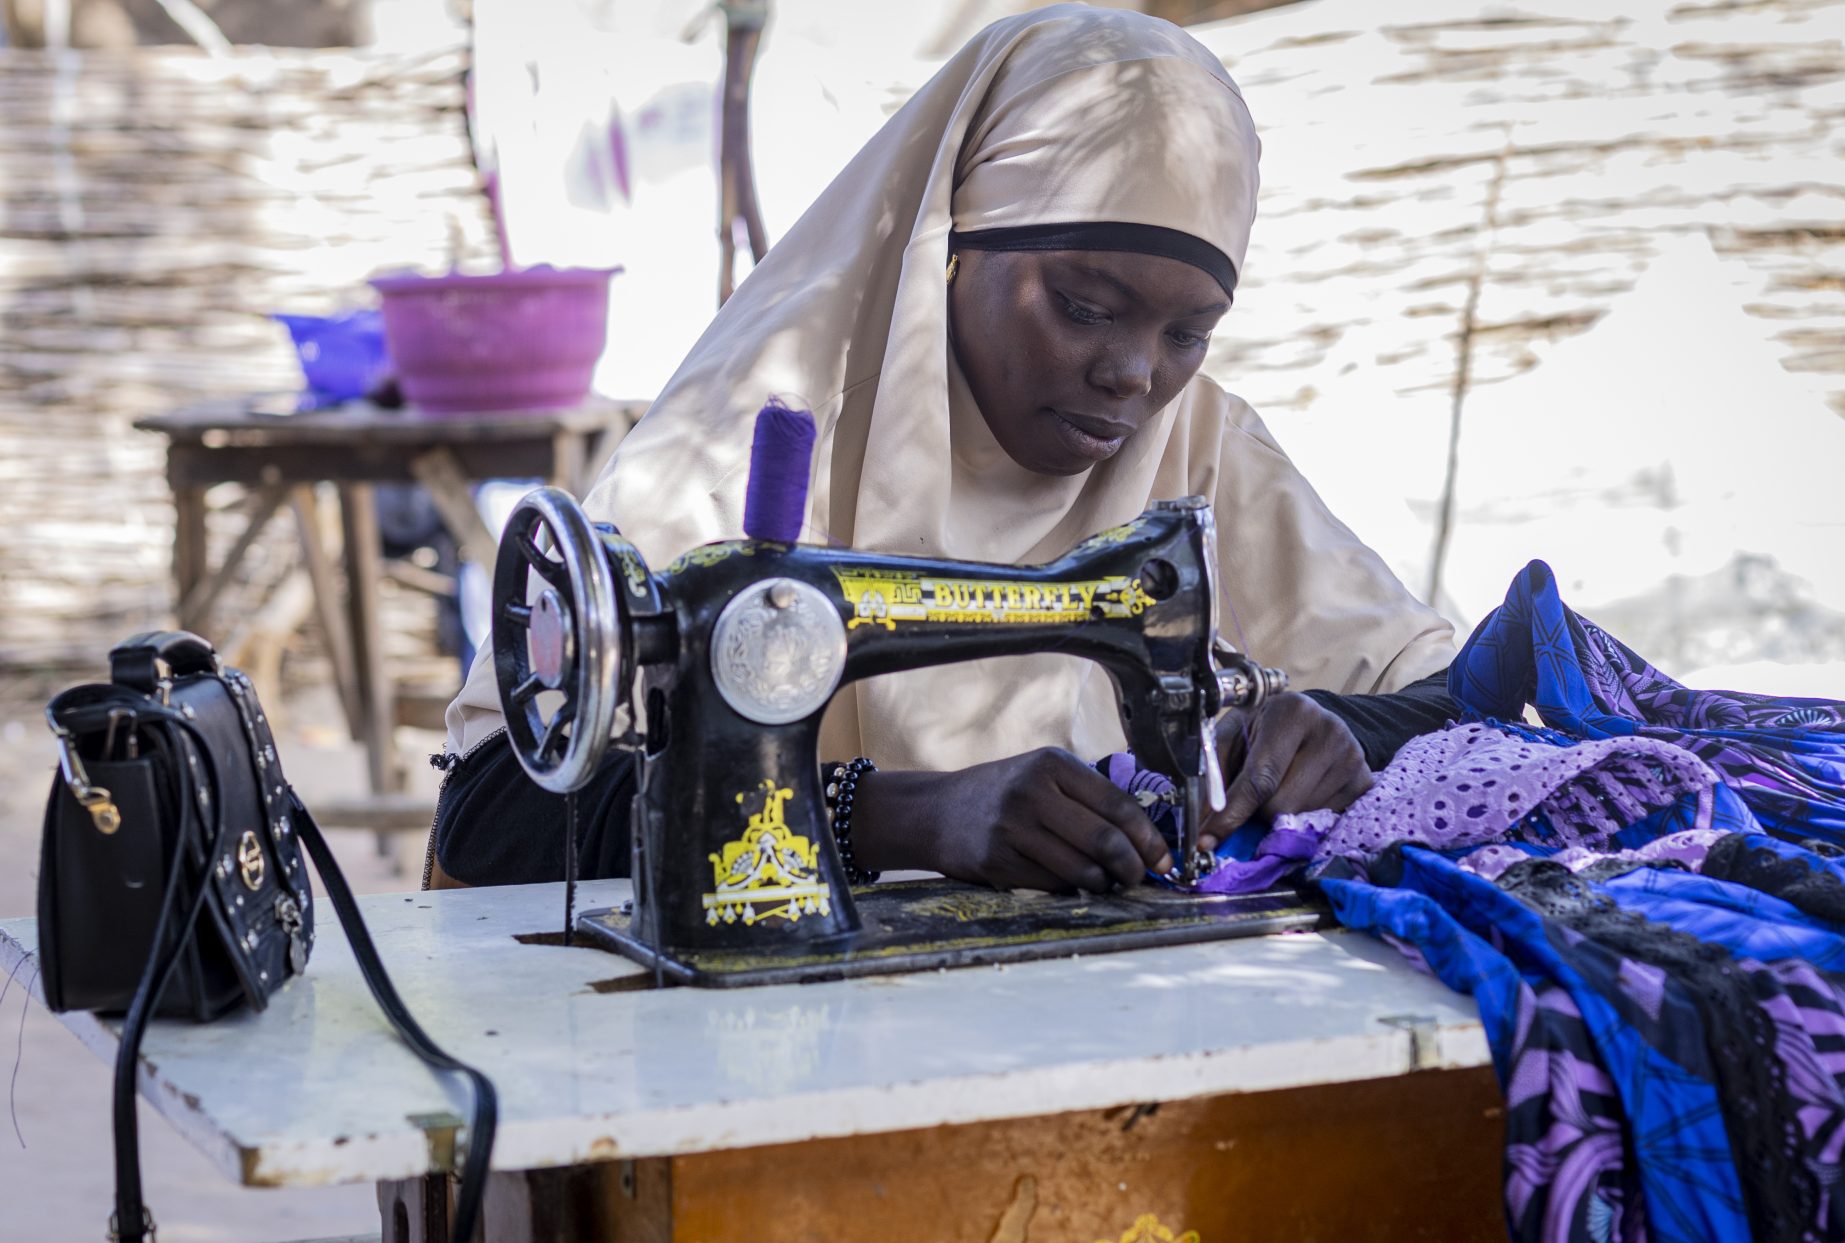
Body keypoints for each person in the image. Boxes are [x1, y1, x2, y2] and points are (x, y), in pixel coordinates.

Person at [428, 3, 1459, 893]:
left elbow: (1469, 694)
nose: (1135, 375)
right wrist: (890, 817)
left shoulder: (1200, 442)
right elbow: (496, 816)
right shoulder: (751, 444)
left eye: (1187, 334)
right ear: (950, 247)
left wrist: (1332, 726)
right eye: (1085, 307)